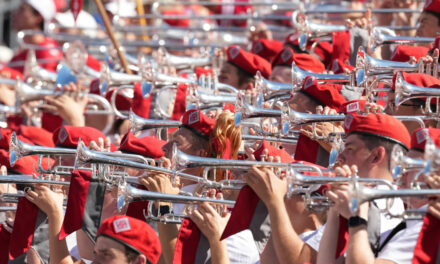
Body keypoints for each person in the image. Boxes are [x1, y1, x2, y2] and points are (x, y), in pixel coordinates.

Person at [317, 113, 410, 263]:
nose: (340, 157)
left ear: (376, 156)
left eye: (349, 149)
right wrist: (334, 209)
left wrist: (356, 218)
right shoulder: (372, 202)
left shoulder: (381, 205)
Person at [8, 0, 62, 73]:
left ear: (38, 17)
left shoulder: (47, 52)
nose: (15, 13)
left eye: (22, 9)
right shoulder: (24, 50)